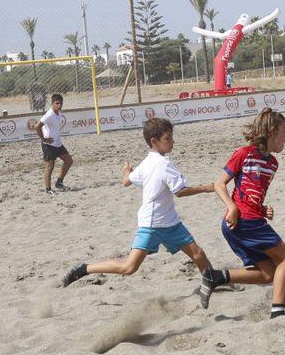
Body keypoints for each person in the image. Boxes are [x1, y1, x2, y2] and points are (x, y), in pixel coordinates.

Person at [62, 117, 220, 301]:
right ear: (154, 141)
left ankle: (213, 283)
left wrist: (126, 172)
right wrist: (206, 188)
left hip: (170, 223)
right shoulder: (164, 164)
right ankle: (83, 269)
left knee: (198, 254)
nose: (172, 142)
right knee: (129, 268)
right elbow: (180, 192)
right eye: (168, 138)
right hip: (151, 225)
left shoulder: (148, 161)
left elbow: (126, 181)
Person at [201, 108, 285, 319]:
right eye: (284, 131)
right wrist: (232, 207)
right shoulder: (244, 154)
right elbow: (219, 184)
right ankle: (278, 313)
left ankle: (216, 277)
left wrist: (262, 208)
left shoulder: (272, 163)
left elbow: (250, 193)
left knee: (267, 274)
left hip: (249, 220)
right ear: (272, 132)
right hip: (243, 221)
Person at [39, 93, 73, 193]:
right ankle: (48, 189)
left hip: (57, 143)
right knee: (50, 166)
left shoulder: (59, 112)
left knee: (69, 161)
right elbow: (37, 126)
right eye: (57, 103)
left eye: (61, 103)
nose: (59, 105)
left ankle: (59, 182)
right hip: (49, 145)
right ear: (52, 103)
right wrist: (44, 139)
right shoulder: (49, 114)